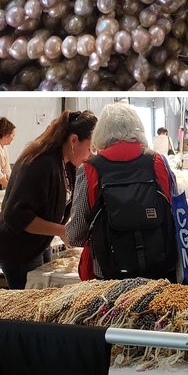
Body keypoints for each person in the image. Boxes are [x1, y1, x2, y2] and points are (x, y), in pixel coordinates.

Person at [67, 103, 177, 282]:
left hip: (108, 277)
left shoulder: (89, 169)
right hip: (159, 273)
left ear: (100, 131)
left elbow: (75, 235)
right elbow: (175, 212)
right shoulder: (158, 161)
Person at [0, 110, 97, 289]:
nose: (91, 155)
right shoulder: (42, 163)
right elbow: (15, 216)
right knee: (28, 305)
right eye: (91, 148)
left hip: (40, 243)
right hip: (19, 249)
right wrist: (62, 230)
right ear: (74, 140)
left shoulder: (68, 164)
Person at [0, 118, 16, 190]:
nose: (13, 138)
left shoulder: (4, 148)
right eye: (13, 135)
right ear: (6, 134)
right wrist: (12, 188)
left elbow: (7, 169)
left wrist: (14, 182)